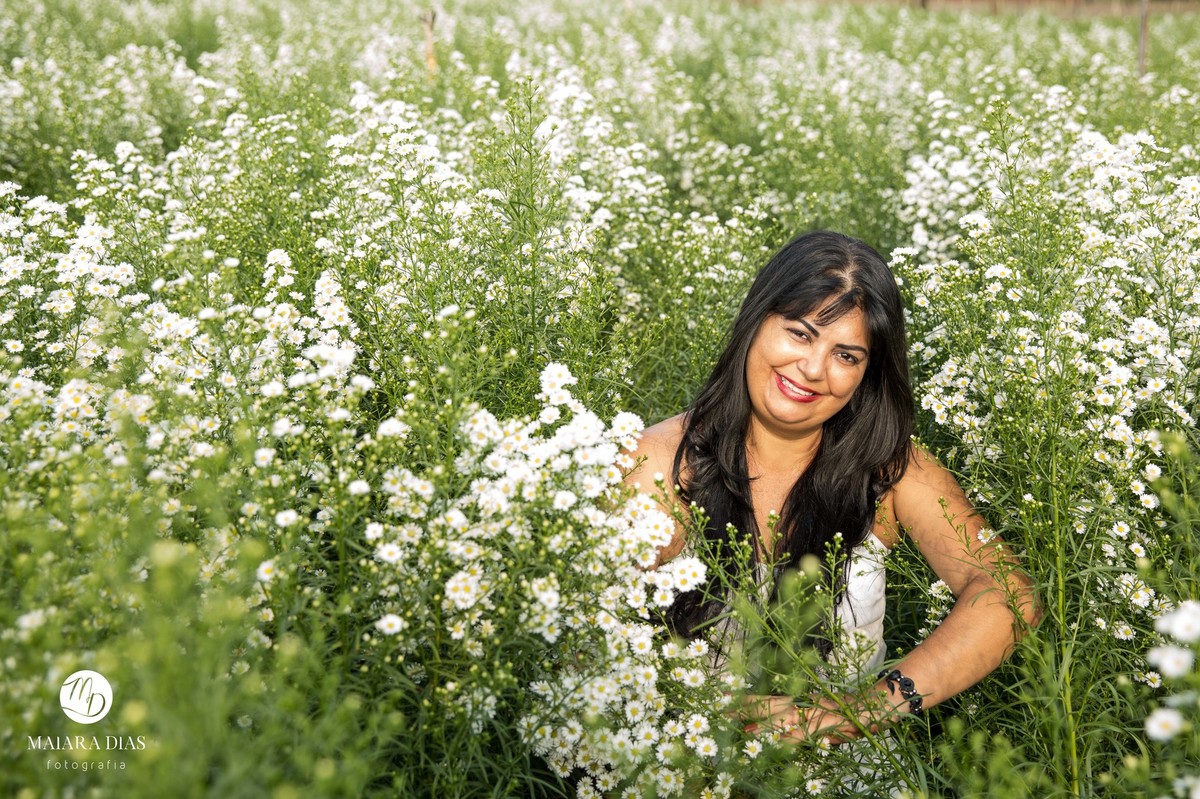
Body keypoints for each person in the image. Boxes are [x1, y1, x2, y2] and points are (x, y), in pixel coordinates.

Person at [624, 230, 1040, 742]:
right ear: (756, 322)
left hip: (848, 777)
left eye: (847, 355)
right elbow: (581, 637)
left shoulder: (889, 470)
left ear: (867, 373)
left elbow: (1009, 594)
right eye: (799, 333)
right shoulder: (659, 463)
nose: (813, 369)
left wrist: (865, 709)